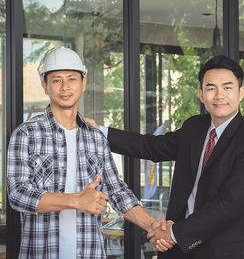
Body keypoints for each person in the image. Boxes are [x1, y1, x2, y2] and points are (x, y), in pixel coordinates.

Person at [87, 55, 244, 259]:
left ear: (240, 93)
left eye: (227, 88)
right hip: (181, 249)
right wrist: (99, 132)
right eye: (211, 88)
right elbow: (152, 147)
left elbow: (229, 205)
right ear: (201, 95)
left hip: (227, 251)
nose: (219, 95)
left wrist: (173, 234)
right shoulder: (195, 128)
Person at [7, 47, 161, 259]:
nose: (65, 87)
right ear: (45, 86)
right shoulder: (25, 134)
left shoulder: (96, 138)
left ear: (83, 83)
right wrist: (75, 200)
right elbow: (18, 195)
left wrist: (154, 225)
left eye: (71, 79)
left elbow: (116, 192)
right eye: (56, 80)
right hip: (41, 253)